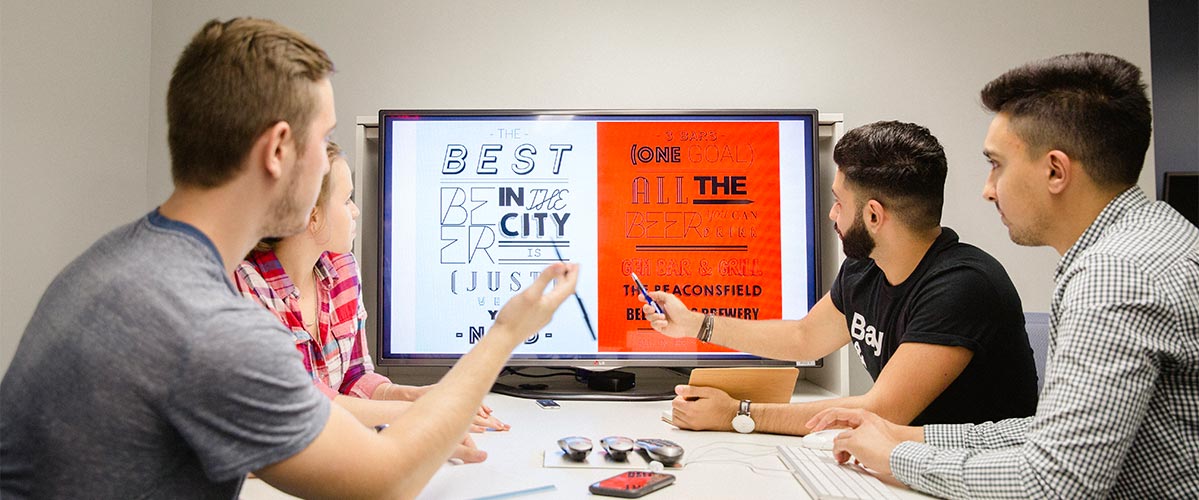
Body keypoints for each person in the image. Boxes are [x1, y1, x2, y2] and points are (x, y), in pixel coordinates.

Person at [0, 17, 577, 499]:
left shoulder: (125, 258)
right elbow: (386, 481)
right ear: (278, 149)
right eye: (321, 139)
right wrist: (507, 330)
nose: (330, 165)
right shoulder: (206, 322)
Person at [808, 53, 1199, 498]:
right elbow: (1053, 434)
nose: (988, 188)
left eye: (996, 164)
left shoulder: (1115, 276)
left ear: (1055, 171)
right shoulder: (1154, 236)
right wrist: (905, 436)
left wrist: (896, 458)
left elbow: (1054, 484)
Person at [642, 121, 1038, 435]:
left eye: (838, 202)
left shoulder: (964, 287)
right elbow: (804, 337)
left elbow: (881, 410)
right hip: (903, 467)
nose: (832, 214)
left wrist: (738, 415)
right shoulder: (866, 266)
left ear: (873, 216)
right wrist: (695, 324)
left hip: (971, 480)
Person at [233, 141, 509, 436]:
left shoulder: (342, 268)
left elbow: (353, 376)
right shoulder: (245, 287)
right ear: (312, 215)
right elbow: (302, 405)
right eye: (346, 200)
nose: (355, 211)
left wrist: (412, 395)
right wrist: (424, 414)